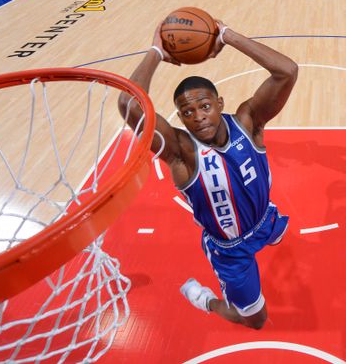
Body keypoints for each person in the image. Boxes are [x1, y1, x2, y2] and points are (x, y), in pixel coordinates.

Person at [117, 19, 298, 330]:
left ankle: (265, 235)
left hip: (262, 220)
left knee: (277, 234)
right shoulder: (179, 151)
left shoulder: (248, 120)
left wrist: (226, 35)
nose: (198, 117)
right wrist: (156, 52)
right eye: (187, 112)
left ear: (219, 104)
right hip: (229, 251)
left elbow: (287, 71)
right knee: (256, 320)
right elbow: (128, 104)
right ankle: (205, 300)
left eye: (204, 106)